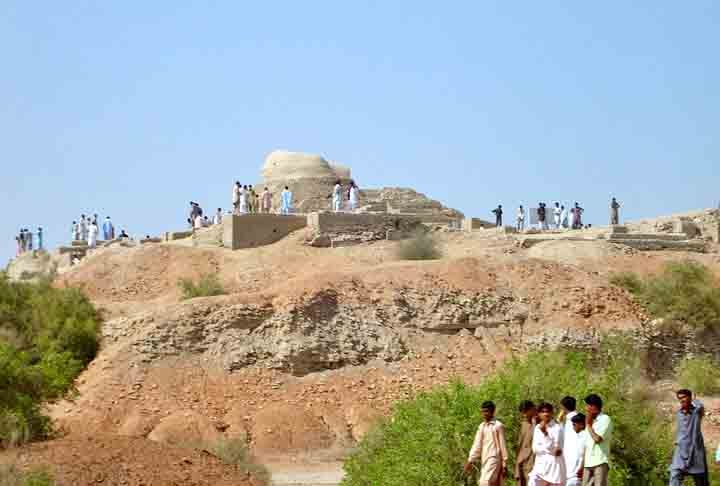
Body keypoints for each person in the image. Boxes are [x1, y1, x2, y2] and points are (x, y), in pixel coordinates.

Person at [464, 401, 509, 486]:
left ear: (492, 411)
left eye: (486, 411)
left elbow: (503, 445)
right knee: (492, 483)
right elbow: (477, 445)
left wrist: (505, 463)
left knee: (485, 482)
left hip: (495, 458)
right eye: (483, 411)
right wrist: (470, 460)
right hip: (485, 459)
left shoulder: (498, 426)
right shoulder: (482, 426)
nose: (484, 414)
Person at [670, 389, 708, 486]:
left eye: (684, 397)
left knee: (700, 480)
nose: (681, 400)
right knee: (675, 475)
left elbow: (700, 406)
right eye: (679, 398)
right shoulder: (679, 413)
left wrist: (694, 400)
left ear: (690, 398)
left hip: (695, 450)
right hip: (681, 450)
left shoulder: (696, 412)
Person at [528, 402, 565, 486]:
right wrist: (546, 449)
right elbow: (535, 449)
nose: (546, 414)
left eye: (548, 411)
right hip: (539, 465)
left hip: (553, 466)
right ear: (539, 414)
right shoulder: (537, 427)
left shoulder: (557, 428)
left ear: (552, 413)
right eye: (543, 412)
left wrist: (545, 434)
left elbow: (556, 451)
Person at [582, 394, 612, 486]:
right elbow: (586, 445)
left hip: (599, 462)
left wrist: (589, 426)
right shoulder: (590, 422)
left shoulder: (605, 419)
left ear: (594, 406)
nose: (586, 409)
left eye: (588, 405)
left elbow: (597, 439)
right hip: (588, 464)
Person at [515, 400, 537, 486]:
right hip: (523, 460)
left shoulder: (539, 424)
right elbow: (520, 444)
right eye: (522, 413)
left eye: (525, 412)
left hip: (534, 460)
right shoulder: (524, 424)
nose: (524, 415)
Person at [565, 414, 588, 486]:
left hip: (577, 474)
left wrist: (581, 468)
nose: (573, 427)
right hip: (570, 474)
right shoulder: (574, 436)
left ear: (581, 425)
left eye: (574, 425)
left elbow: (584, 454)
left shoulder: (585, 437)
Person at [560, 396, 579, 481]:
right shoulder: (573, 418)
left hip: (572, 455)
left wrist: (559, 420)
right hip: (572, 455)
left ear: (564, 407)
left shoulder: (573, 419)